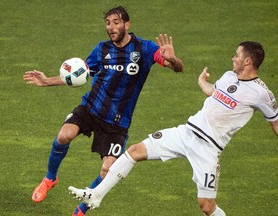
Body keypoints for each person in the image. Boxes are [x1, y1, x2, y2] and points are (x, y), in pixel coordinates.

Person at [68, 41, 278, 216]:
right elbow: (214, 93)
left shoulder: (261, 94)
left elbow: (275, 124)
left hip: (209, 148)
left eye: (237, 55)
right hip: (186, 132)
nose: (233, 58)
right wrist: (202, 83)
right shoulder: (229, 76)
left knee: (206, 206)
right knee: (134, 151)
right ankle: (96, 195)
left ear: (248, 61)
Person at [23, 5, 184, 216]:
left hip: (117, 123)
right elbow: (79, 74)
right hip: (91, 108)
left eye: (116, 22)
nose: (111, 27)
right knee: (64, 135)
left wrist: (172, 59)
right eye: (108, 23)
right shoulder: (102, 49)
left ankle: (80, 210)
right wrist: (47, 82)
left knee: (108, 170)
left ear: (127, 24)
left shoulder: (144, 48)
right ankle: (50, 178)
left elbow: (178, 68)